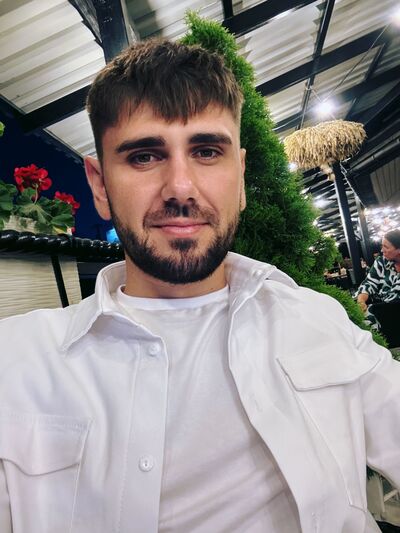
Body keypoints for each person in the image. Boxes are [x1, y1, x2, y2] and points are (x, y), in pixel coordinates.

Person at [0, 39, 399, 533]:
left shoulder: (318, 320)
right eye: (144, 156)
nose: (181, 188)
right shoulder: (19, 362)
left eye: (207, 152)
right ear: (100, 185)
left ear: (241, 176)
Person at [356, 229, 400, 328]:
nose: (381, 250)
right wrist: (361, 301)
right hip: (380, 309)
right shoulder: (381, 262)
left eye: (386, 247)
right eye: (382, 246)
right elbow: (369, 283)